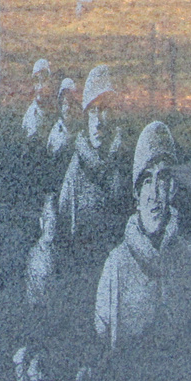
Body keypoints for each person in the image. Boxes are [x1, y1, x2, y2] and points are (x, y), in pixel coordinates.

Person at [94, 122, 191, 352]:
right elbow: (102, 334)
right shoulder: (116, 265)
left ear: (172, 188)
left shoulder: (187, 258)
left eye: (162, 179)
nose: (154, 194)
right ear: (136, 194)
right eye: (147, 180)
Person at [58, 64, 123, 245]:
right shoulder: (75, 171)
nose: (98, 122)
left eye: (104, 109)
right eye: (93, 111)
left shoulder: (125, 164)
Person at [25, 194, 57, 310]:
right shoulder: (35, 255)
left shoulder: (58, 252)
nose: (51, 225)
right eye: (48, 219)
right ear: (41, 222)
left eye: (55, 219)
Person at [45, 77, 78, 159]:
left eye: (71, 104)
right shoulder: (56, 132)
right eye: (65, 104)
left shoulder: (81, 130)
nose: (68, 109)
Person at [22, 58, 52, 140]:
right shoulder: (31, 113)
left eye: (44, 74)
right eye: (39, 74)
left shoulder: (47, 88)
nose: (41, 77)